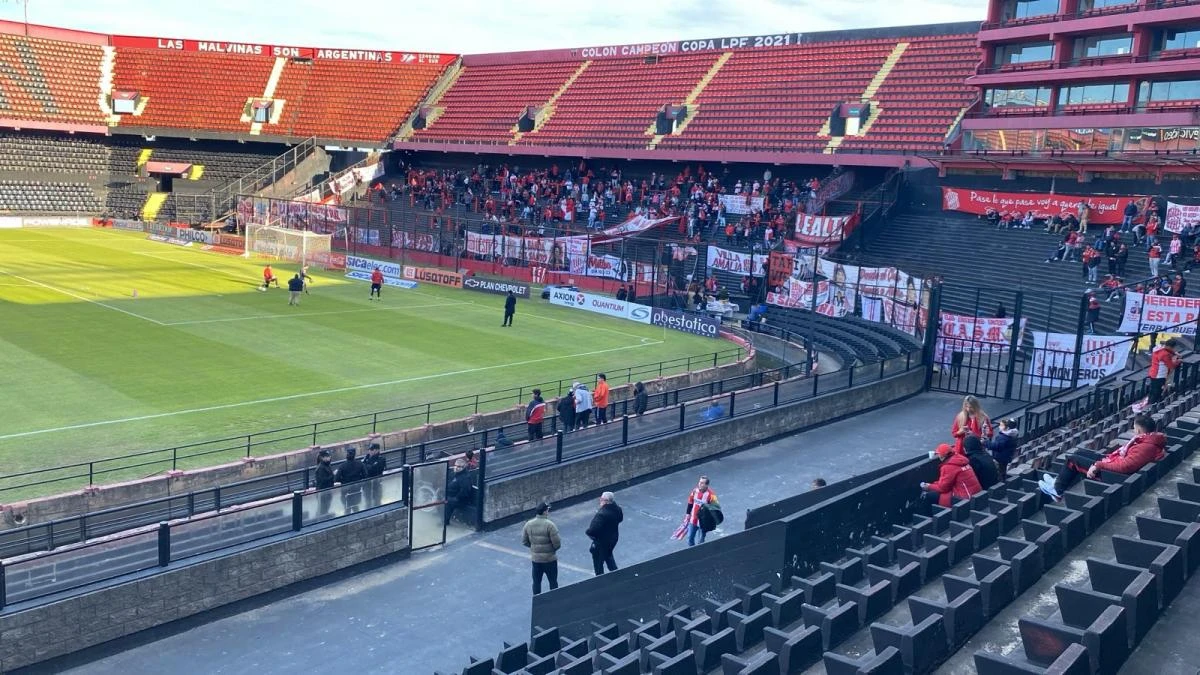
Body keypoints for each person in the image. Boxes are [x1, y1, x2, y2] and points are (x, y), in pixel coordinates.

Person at [1039, 414, 1165, 501]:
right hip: (1114, 463)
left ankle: (1058, 491)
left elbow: (1125, 467)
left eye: (1134, 428)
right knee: (1080, 453)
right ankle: (1059, 482)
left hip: (1114, 475)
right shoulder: (1148, 441)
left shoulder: (1146, 447)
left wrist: (1098, 465)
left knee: (1073, 460)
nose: (1133, 430)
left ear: (1138, 431)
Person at [920, 443, 984, 507]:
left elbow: (943, 488)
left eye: (938, 454)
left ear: (942, 456)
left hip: (966, 500)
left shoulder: (948, 467)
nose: (938, 456)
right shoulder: (961, 460)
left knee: (929, 496)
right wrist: (934, 484)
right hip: (977, 495)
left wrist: (928, 486)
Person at [521, 501, 562, 594]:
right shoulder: (550, 525)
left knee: (536, 582)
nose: (548, 511)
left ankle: (536, 602)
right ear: (544, 512)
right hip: (550, 560)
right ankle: (554, 600)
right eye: (547, 510)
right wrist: (551, 550)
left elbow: (524, 541)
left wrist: (534, 548)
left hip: (536, 560)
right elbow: (557, 544)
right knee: (553, 582)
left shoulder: (528, 524)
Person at [585, 492, 623, 576]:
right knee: (608, 555)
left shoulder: (601, 514)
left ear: (606, 501)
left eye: (601, 499)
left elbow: (592, 530)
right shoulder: (618, 509)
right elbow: (620, 519)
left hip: (601, 542)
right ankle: (616, 574)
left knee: (598, 561)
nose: (600, 500)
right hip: (612, 540)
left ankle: (600, 578)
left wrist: (587, 532)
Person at [684, 476, 718, 546]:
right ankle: (692, 552)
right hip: (693, 519)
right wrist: (687, 514)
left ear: (706, 485)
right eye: (699, 482)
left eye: (702, 483)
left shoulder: (711, 495)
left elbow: (715, 508)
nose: (699, 484)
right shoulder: (694, 491)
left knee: (701, 541)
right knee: (690, 538)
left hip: (703, 522)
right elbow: (690, 502)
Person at [1148, 337, 1182, 404]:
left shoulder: (1159, 348)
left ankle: (1151, 402)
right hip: (1159, 375)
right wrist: (1178, 361)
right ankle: (1153, 404)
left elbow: (1169, 351)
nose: (1174, 349)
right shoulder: (1164, 354)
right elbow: (1171, 365)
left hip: (1153, 372)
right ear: (1170, 346)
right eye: (1173, 348)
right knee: (1157, 391)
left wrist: (1175, 353)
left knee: (1153, 390)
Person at [444, 458, 475, 526]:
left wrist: (456, 498)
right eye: (455, 465)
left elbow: (465, 491)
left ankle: (445, 522)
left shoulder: (465, 478)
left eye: (459, 466)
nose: (456, 467)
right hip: (452, 495)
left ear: (463, 467)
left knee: (448, 503)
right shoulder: (455, 474)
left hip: (461, 500)